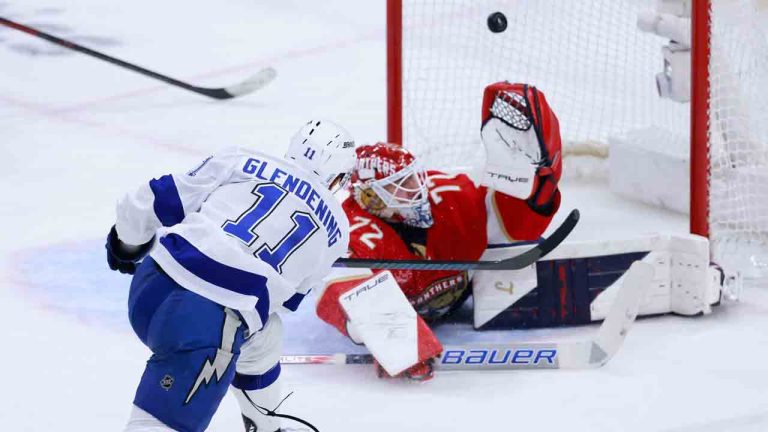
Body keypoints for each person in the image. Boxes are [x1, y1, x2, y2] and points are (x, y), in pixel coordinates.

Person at [106, 120, 356, 432]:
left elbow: (157, 199)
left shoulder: (241, 159)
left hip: (151, 282)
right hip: (206, 320)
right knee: (157, 425)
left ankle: (265, 425)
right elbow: (285, 297)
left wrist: (126, 243)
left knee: (265, 337)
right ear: (339, 176)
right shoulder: (337, 230)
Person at [316, 82, 563, 380]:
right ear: (370, 197)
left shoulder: (448, 194)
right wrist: (397, 340)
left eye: (413, 178)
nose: (417, 190)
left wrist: (535, 187)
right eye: (400, 186)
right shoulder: (350, 230)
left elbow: (508, 223)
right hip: (417, 322)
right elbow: (335, 286)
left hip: (469, 302)